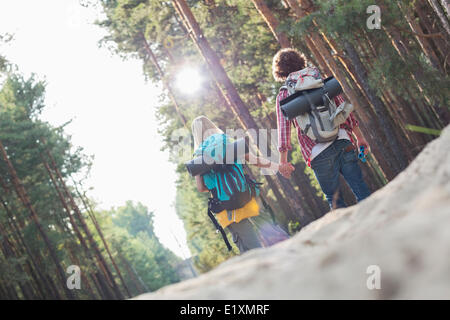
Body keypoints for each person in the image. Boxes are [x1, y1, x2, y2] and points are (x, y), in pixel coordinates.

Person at [272, 48, 371, 209]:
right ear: (301, 61)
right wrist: (359, 137)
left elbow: (283, 130)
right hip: (342, 140)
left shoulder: (284, 95)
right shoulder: (320, 80)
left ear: (280, 71)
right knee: (360, 188)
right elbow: (343, 109)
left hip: (317, 152)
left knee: (335, 200)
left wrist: (283, 161)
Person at [191, 116, 288, 253]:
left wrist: (217, 186)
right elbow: (256, 161)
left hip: (225, 206)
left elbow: (201, 188)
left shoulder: (198, 158)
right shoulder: (229, 142)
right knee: (271, 231)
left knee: (250, 247)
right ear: (212, 126)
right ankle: (290, 256)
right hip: (246, 194)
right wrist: (279, 166)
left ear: (196, 134)